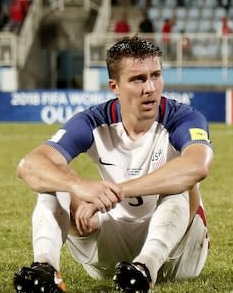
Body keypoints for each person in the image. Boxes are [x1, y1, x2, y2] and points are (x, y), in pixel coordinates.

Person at [13, 35, 213, 293]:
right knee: (55, 180)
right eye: (138, 79)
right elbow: (28, 166)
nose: (150, 87)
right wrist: (80, 186)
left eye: (155, 75)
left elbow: (198, 166)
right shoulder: (94, 120)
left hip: (177, 253)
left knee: (181, 185)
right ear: (114, 86)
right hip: (110, 242)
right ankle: (46, 269)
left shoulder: (184, 118)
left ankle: (145, 268)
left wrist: (117, 190)